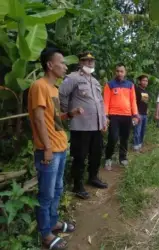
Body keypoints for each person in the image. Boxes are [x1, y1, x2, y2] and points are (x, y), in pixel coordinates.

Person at [28, 48, 83, 249]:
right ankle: (45, 234)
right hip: (49, 150)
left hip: (60, 146)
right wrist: (47, 148)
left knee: (57, 189)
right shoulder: (39, 86)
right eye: (62, 62)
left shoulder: (53, 89)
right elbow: (39, 120)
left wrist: (69, 114)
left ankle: (53, 222)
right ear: (50, 65)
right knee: (46, 194)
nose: (65, 66)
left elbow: (53, 119)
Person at [59, 52, 108, 200]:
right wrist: (68, 112)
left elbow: (99, 102)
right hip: (81, 126)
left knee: (96, 154)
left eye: (92, 60)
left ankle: (92, 177)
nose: (90, 63)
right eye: (86, 61)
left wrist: (104, 119)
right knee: (80, 156)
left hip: (96, 126)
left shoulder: (95, 81)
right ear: (80, 62)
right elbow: (61, 94)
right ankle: (77, 186)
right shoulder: (73, 78)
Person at [104, 63, 139, 169]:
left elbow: (133, 101)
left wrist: (135, 115)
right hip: (114, 116)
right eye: (117, 71)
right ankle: (108, 158)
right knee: (113, 138)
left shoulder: (130, 85)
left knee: (125, 138)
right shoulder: (109, 84)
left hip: (127, 116)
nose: (119, 73)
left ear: (125, 72)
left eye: (121, 71)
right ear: (115, 72)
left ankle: (123, 158)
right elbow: (105, 102)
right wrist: (105, 116)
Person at [133, 75, 149, 151]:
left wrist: (147, 110)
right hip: (138, 114)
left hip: (144, 114)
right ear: (139, 81)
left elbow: (145, 103)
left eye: (146, 81)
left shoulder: (145, 91)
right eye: (144, 80)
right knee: (137, 130)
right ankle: (136, 145)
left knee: (143, 130)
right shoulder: (136, 90)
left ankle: (140, 144)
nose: (145, 82)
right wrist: (135, 114)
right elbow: (134, 102)